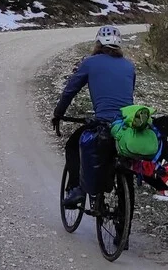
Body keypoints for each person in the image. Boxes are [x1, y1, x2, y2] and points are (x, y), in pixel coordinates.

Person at [51, 25, 135, 208]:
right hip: (126, 124)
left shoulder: (90, 62)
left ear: (98, 43)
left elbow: (70, 90)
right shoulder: (130, 66)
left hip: (103, 122)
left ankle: (77, 190)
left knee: (73, 146)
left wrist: (58, 113)